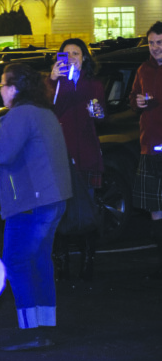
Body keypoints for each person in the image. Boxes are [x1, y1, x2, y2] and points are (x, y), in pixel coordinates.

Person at [0, 62, 72, 350]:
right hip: (52, 199)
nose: (0, 89)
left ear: (15, 88)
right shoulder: (43, 112)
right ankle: (45, 325)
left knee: (17, 262)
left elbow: (2, 153)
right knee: (40, 261)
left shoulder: (20, 115)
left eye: (2, 84)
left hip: (30, 203)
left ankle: (30, 332)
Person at [48, 38, 105, 280]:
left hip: (86, 154)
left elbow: (100, 115)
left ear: (84, 59)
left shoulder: (92, 84)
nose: (71, 58)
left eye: (77, 54)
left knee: (87, 209)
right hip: (60, 155)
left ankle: (88, 260)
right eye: (67, 54)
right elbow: (51, 110)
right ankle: (61, 264)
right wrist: (54, 81)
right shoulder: (53, 84)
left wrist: (96, 108)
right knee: (59, 212)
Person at [130, 21, 162, 279]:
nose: (155, 47)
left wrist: (155, 100)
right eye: (151, 43)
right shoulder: (142, 69)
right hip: (149, 145)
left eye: (159, 42)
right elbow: (133, 99)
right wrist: (138, 102)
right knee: (155, 205)